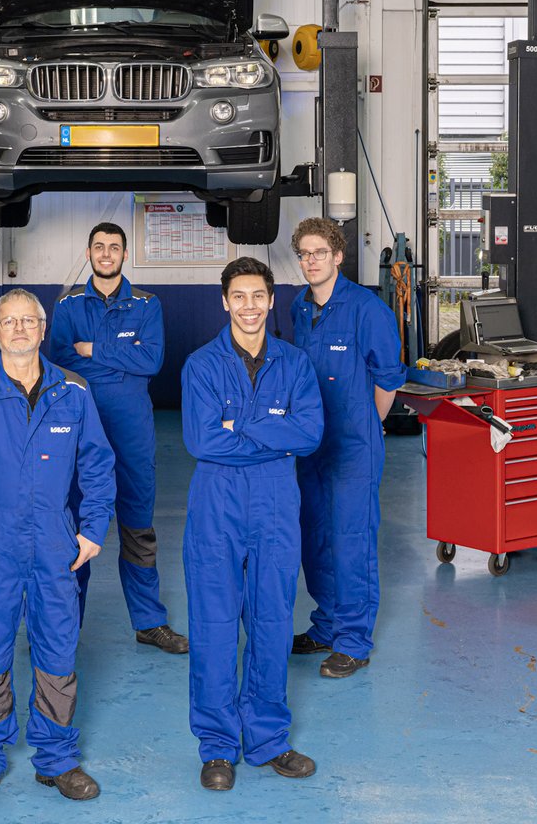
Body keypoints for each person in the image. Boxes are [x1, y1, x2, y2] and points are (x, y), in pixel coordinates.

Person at [0, 289, 116, 810]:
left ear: (42, 329)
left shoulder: (73, 391)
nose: (19, 329)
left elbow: (98, 464)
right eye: (8, 321)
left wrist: (92, 529)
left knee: (57, 648)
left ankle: (56, 758)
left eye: (28, 321)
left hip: (55, 539)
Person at [180, 256, 324, 791]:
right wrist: (272, 431)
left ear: (271, 300)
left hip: (276, 506)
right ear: (225, 302)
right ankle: (218, 746)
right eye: (238, 296)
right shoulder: (200, 365)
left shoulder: (295, 364)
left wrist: (239, 425)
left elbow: (309, 435)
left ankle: (267, 739)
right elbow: (202, 441)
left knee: (272, 622)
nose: (249, 306)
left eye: (258, 296)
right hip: (216, 506)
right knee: (214, 626)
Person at [47, 222, 187, 654]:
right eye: (99, 246)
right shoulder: (68, 305)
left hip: (131, 429)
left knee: (138, 524)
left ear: (125, 255)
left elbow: (152, 360)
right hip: (80, 425)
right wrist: (123, 359)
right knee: (72, 524)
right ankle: (63, 625)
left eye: (114, 247)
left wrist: (93, 350)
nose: (106, 253)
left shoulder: (147, 303)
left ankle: (149, 622)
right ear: (89, 252)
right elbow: (61, 363)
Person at [289, 218, 406, 678]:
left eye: (319, 252)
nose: (311, 261)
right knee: (315, 537)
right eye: (304, 253)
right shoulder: (300, 306)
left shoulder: (366, 308)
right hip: (310, 444)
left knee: (350, 540)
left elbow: (388, 379)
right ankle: (326, 625)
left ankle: (353, 640)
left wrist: (366, 426)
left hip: (354, 446)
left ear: (338, 256)